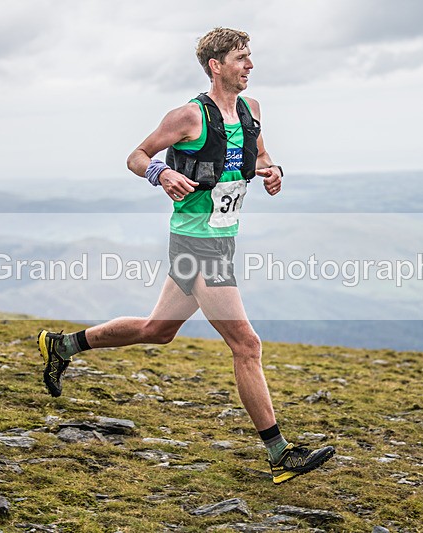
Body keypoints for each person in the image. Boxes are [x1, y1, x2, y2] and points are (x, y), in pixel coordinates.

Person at [37, 27, 334, 484]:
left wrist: (273, 171)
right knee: (247, 345)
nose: (250, 65)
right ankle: (279, 454)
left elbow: (256, 155)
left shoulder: (252, 110)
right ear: (216, 66)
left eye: (250, 57)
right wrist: (160, 173)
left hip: (221, 236)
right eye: (241, 58)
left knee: (158, 330)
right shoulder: (188, 116)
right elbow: (136, 155)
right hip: (197, 243)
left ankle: (63, 345)